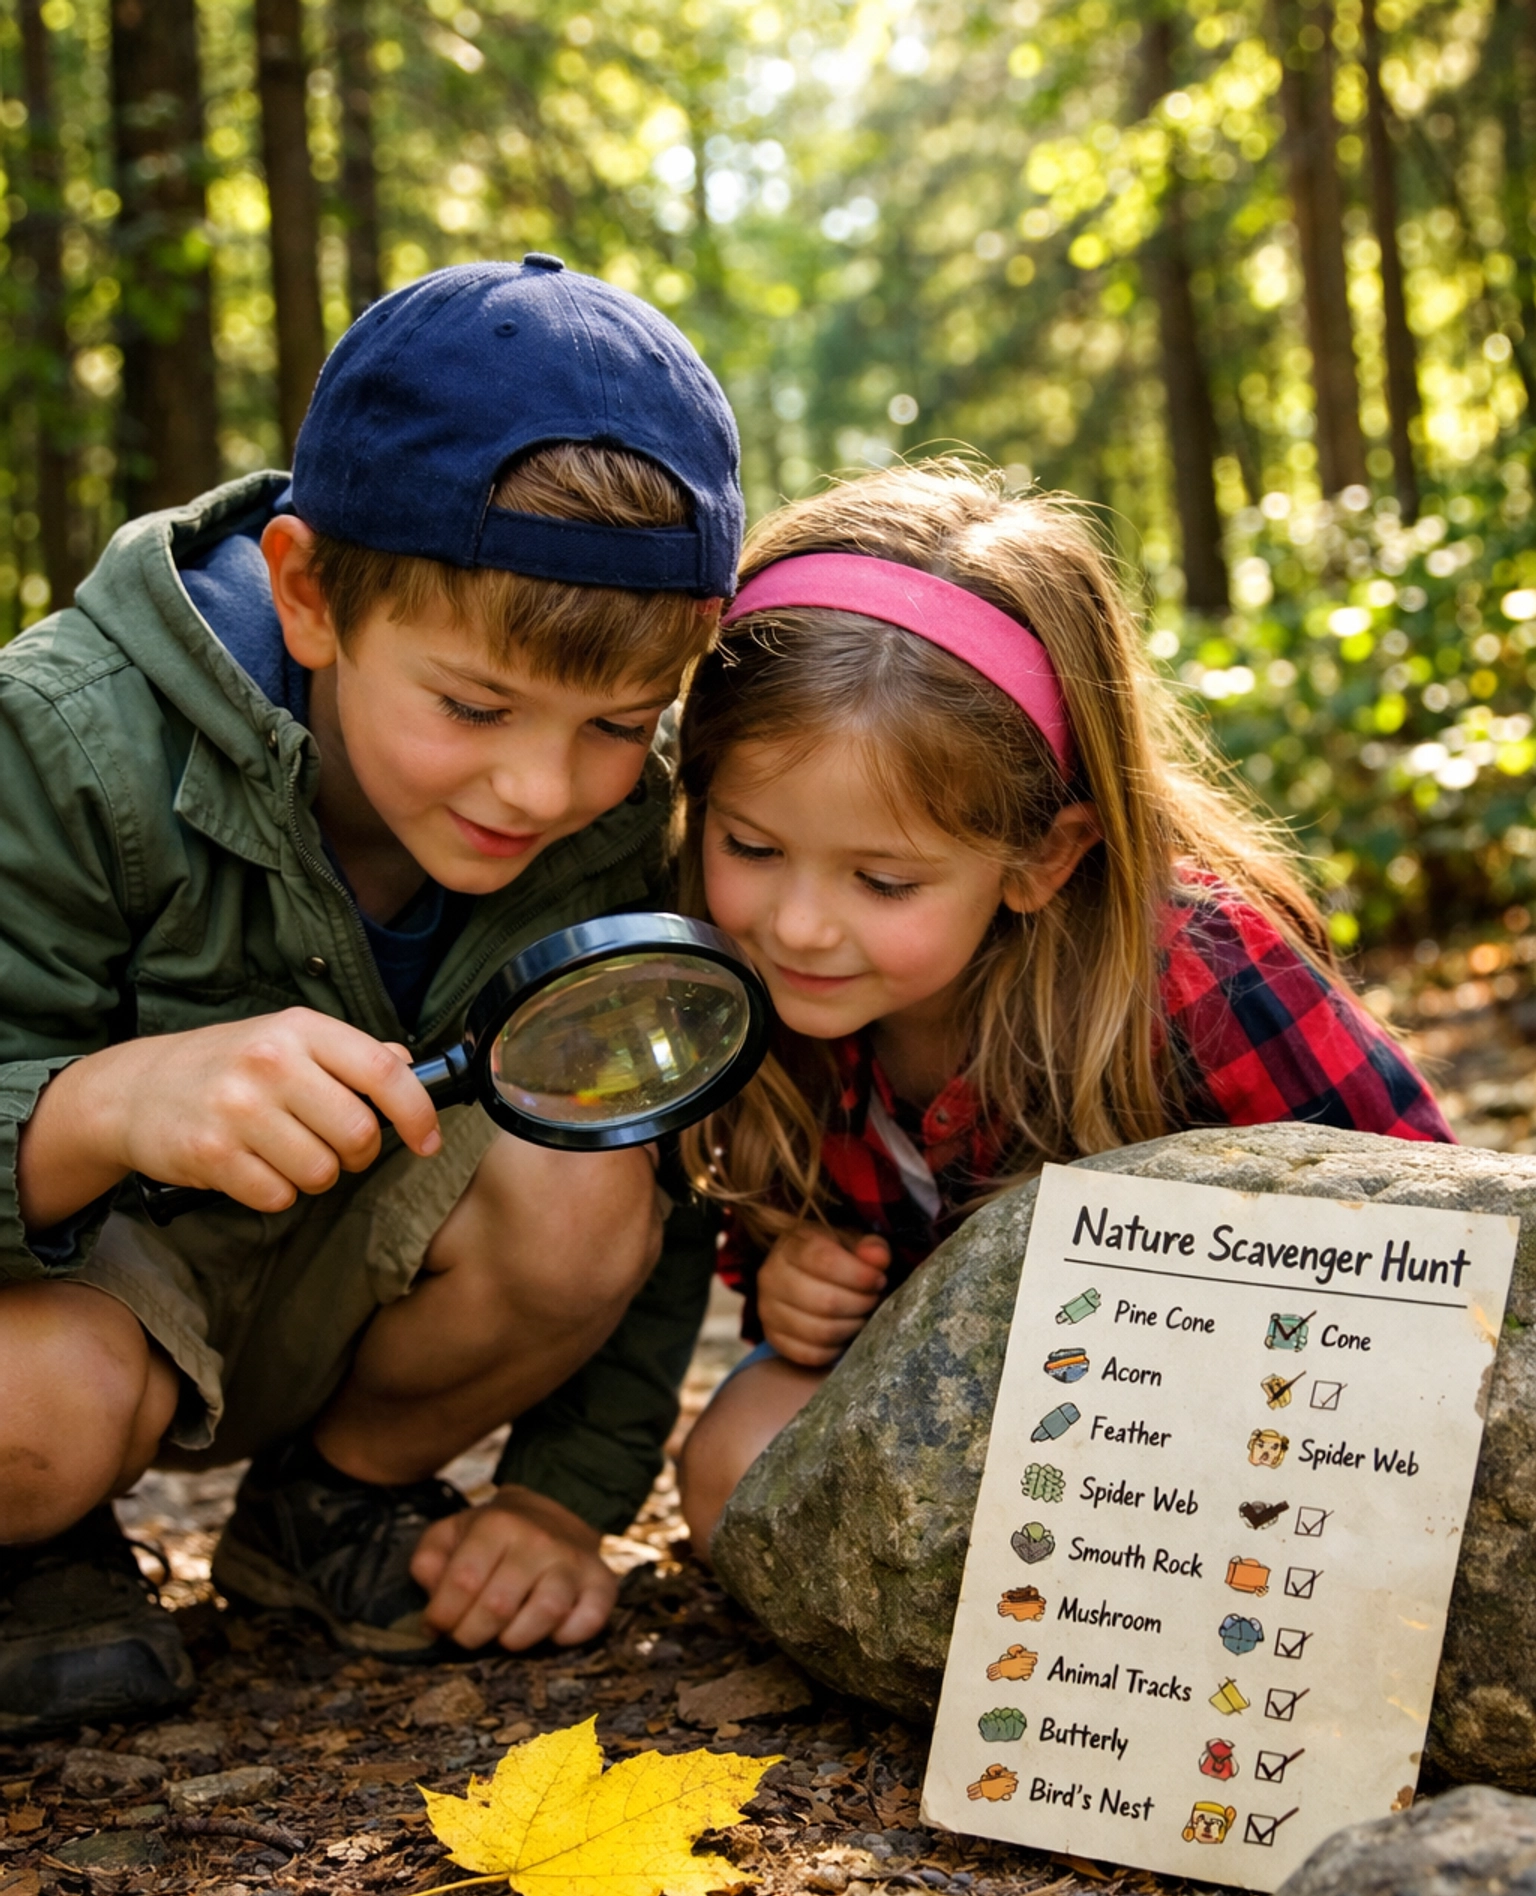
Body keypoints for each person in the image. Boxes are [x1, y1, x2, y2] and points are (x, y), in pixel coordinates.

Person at [0, 255, 744, 1731]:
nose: (538, 788)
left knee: (587, 1182)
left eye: (615, 724)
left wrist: (560, 1498)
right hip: (70, 1302)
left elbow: (662, 1161)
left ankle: (328, 1506)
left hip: (338, 1290)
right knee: (34, 1422)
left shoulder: (616, 833)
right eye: (472, 706)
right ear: (309, 594)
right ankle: (36, 1546)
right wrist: (92, 1110)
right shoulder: (66, 744)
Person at [674, 461, 1450, 1548]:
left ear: (1043, 855)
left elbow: (1430, 1230)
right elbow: (778, 1246)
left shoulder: (1198, 973)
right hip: (964, 1428)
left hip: (1221, 1424)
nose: (798, 926)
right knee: (732, 1464)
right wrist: (788, 1285)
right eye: (752, 847)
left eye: (882, 882)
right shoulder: (741, 993)